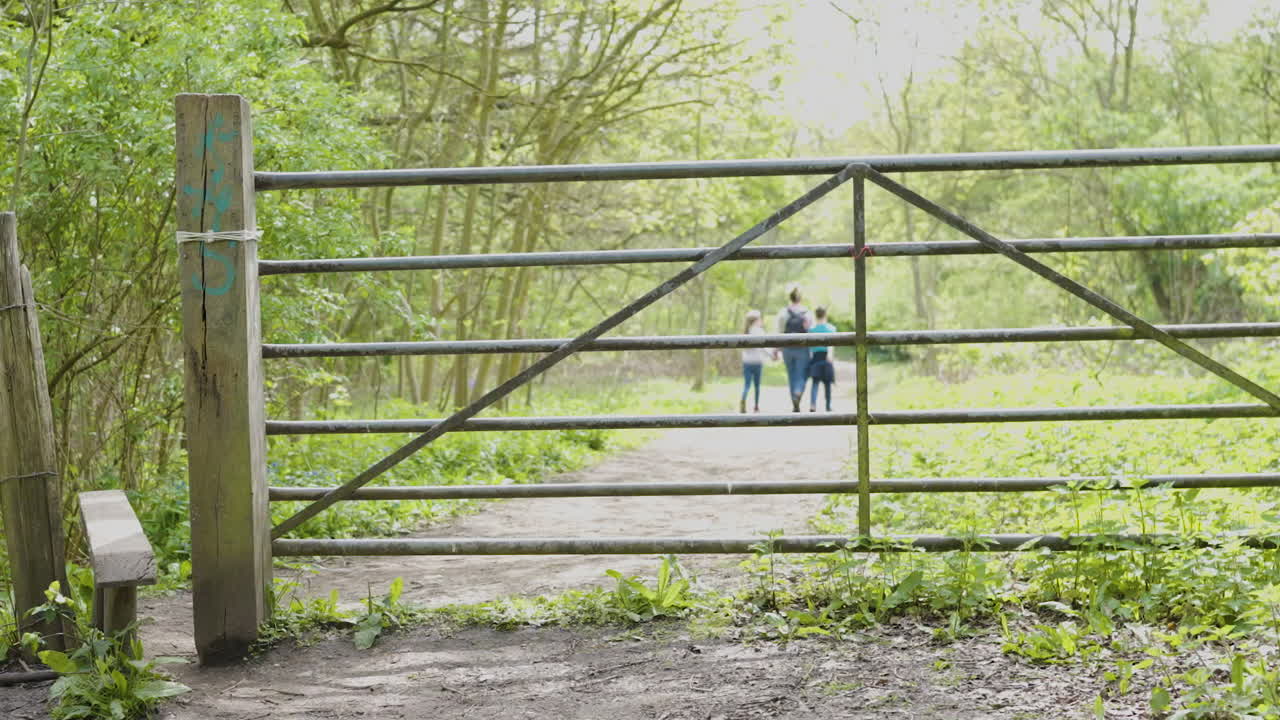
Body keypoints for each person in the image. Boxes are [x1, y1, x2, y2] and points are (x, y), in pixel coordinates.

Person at [775, 286, 813, 412]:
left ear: (790, 298)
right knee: (802, 374)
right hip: (803, 347)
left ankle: (794, 404)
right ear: (800, 298)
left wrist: (777, 349)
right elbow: (811, 332)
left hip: (787, 347)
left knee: (791, 375)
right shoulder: (807, 313)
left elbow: (780, 332)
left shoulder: (783, 312)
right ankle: (798, 392)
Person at [739, 309, 773, 413]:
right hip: (757, 362)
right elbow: (764, 347)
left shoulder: (745, 331)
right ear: (756, 320)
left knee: (747, 384)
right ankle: (756, 406)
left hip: (747, 362)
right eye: (760, 318)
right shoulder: (759, 331)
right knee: (757, 386)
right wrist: (772, 355)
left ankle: (743, 399)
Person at [807, 307, 837, 412]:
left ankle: (812, 405)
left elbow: (810, 347)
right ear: (825, 315)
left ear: (816, 315)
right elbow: (831, 344)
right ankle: (828, 406)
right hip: (826, 356)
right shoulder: (831, 328)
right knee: (827, 384)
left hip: (815, 357)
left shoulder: (811, 329)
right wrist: (830, 356)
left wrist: (811, 358)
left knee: (815, 383)